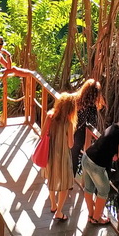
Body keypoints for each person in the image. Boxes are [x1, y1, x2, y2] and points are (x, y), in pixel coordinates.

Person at [81, 116, 119, 225]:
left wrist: (114, 153)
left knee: (89, 188)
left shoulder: (115, 126)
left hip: (87, 156)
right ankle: (96, 218)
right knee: (104, 191)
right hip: (96, 164)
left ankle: (91, 214)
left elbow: (110, 142)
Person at [38, 93, 78, 222]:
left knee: (51, 178)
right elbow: (71, 144)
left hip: (49, 153)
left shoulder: (50, 116)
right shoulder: (69, 123)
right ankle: (59, 212)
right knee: (65, 184)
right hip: (63, 156)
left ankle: (53, 204)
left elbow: (42, 134)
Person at [70, 79, 106, 176]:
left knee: (67, 154)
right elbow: (92, 123)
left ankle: (62, 178)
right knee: (74, 155)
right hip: (79, 133)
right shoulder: (91, 106)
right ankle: (71, 181)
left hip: (68, 128)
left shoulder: (74, 99)